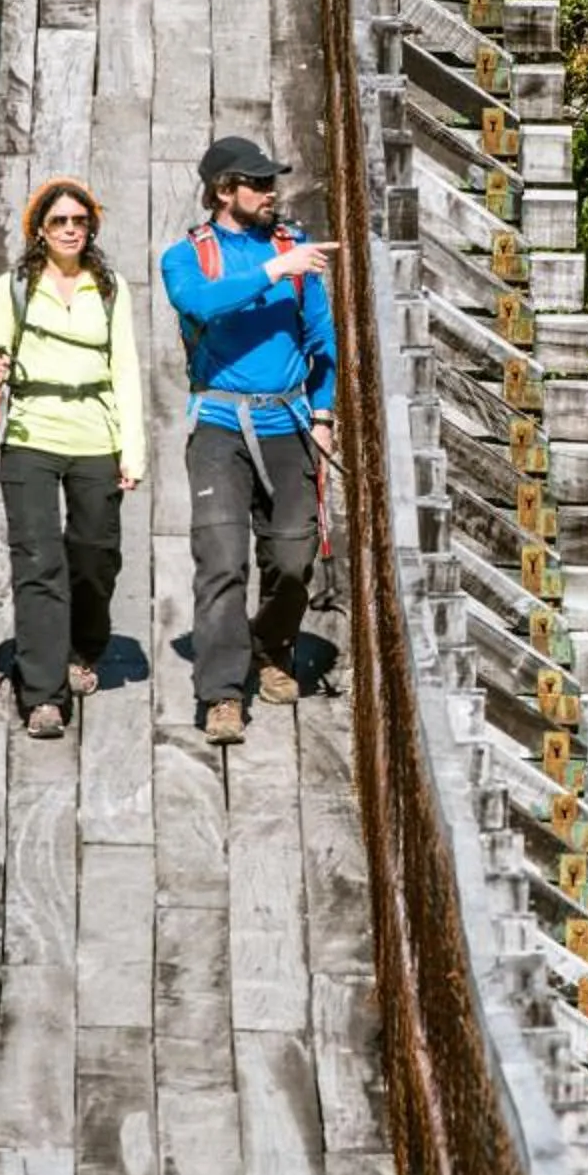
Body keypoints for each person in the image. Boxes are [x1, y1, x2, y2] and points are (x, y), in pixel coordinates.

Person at [159, 135, 338, 745]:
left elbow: (323, 343)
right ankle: (222, 695)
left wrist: (323, 412)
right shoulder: (188, 257)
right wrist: (272, 270)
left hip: (288, 423)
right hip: (218, 427)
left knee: (293, 560)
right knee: (221, 562)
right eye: (258, 184)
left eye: (272, 183)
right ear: (222, 191)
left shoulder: (295, 252)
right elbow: (199, 304)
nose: (271, 193)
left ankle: (269, 645)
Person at [0, 177, 145, 739]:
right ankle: (43, 696)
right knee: (37, 562)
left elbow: (125, 368)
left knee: (97, 555)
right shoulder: (16, 286)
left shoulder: (112, 288)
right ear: (40, 231)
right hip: (31, 433)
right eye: (59, 222)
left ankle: (85, 645)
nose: (70, 230)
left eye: (78, 221)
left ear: (90, 226)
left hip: (96, 434)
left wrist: (133, 448)